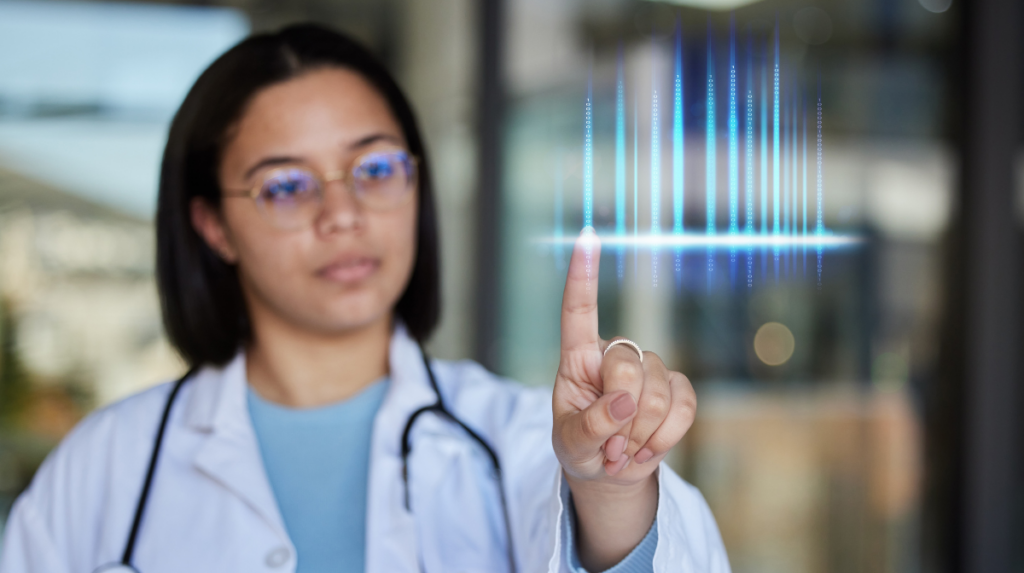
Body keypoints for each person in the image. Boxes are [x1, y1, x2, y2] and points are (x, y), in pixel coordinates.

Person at [0, 24, 729, 573]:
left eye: (375, 168)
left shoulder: (513, 436)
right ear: (213, 225)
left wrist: (607, 489)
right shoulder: (108, 465)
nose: (341, 213)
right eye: (285, 185)